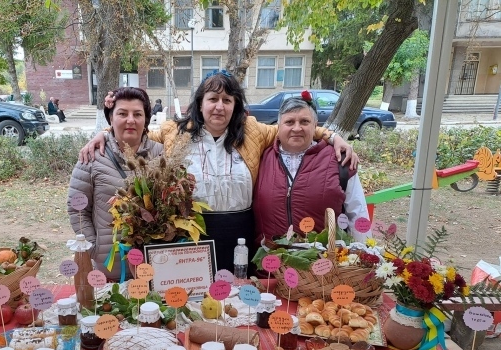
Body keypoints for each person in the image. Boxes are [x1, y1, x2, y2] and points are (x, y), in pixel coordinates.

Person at [79, 72, 358, 271]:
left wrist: (333, 137)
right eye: (213, 98)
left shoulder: (253, 131)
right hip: (192, 232)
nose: (219, 106)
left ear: (235, 105)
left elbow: (292, 128)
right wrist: (103, 133)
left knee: (239, 293)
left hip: (241, 231)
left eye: (227, 100)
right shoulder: (176, 132)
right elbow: (135, 132)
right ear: (200, 103)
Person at [67, 87, 162, 281]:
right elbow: (77, 209)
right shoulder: (91, 156)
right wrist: (94, 248)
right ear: (110, 118)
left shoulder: (161, 155)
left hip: (154, 265)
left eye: (137, 114)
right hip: (110, 268)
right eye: (122, 113)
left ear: (146, 120)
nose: (130, 120)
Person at [253, 95, 369, 248]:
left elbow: (357, 212)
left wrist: (364, 257)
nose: (297, 128)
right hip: (270, 267)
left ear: (315, 126)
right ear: (278, 127)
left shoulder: (339, 160)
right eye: (289, 122)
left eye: (304, 122)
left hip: (324, 266)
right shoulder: (260, 158)